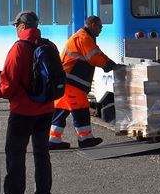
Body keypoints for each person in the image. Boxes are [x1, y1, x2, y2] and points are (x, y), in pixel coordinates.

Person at [0, 11, 58, 194]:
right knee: (41, 154)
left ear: (22, 26)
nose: (15, 29)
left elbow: (9, 81)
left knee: (15, 155)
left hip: (22, 110)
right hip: (46, 110)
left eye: (16, 26)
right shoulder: (49, 45)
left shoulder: (19, 48)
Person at [50, 15, 118, 150]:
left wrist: (111, 63)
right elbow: (93, 57)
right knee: (80, 110)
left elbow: (99, 53)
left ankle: (54, 140)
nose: (101, 30)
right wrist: (108, 65)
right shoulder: (83, 38)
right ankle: (85, 139)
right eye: (100, 27)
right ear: (93, 25)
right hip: (72, 83)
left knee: (60, 111)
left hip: (66, 82)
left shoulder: (85, 37)